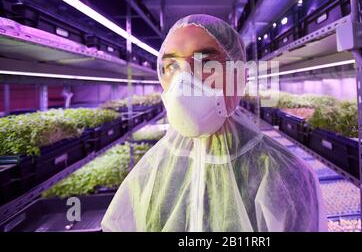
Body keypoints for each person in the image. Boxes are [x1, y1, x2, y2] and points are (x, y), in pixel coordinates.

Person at [101, 14, 327, 232]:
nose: (184, 81)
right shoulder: (149, 172)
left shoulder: (285, 176)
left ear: (238, 75)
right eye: (172, 66)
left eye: (205, 63)